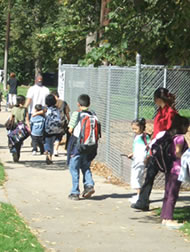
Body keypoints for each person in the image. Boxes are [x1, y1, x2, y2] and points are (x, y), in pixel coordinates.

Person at [131, 87, 178, 211]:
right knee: (150, 174)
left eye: (155, 99)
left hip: (165, 148)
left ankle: (167, 207)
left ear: (158, 99)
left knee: (168, 175)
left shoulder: (170, 112)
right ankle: (142, 202)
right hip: (156, 147)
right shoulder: (161, 111)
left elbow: (169, 129)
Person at [161, 115, 189, 229]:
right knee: (173, 194)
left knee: (168, 193)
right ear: (182, 126)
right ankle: (168, 218)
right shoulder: (180, 138)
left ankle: (164, 216)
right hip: (177, 169)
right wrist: (186, 157)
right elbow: (178, 153)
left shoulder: (171, 137)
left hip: (170, 167)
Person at [67, 94, 97, 200]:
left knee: (74, 168)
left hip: (77, 146)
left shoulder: (77, 114)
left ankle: (75, 192)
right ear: (89, 104)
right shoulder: (93, 115)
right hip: (90, 147)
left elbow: (70, 129)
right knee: (85, 167)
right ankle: (89, 185)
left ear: (78, 104)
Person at [128, 118, 151, 204]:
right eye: (133, 129)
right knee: (135, 176)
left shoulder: (144, 137)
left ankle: (139, 196)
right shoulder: (137, 137)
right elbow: (138, 148)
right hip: (136, 159)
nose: (134, 131)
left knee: (136, 177)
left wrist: (147, 157)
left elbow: (148, 147)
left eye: (135, 129)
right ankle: (139, 195)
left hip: (141, 160)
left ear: (141, 127)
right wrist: (132, 153)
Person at [8, 95, 30, 162]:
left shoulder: (14, 108)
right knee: (19, 142)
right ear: (22, 101)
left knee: (12, 140)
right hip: (21, 127)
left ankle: (13, 151)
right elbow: (27, 119)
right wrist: (29, 128)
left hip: (14, 127)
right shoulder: (25, 109)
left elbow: (11, 118)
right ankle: (17, 155)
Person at [44, 94, 62, 165]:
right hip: (57, 129)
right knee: (52, 143)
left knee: (48, 142)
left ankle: (48, 153)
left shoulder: (47, 110)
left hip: (48, 129)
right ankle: (50, 156)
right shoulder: (57, 109)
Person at [51, 90, 70, 156]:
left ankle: (52, 149)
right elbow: (67, 113)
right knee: (58, 137)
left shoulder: (50, 102)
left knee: (52, 136)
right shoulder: (64, 103)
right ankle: (55, 150)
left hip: (52, 122)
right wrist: (69, 121)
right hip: (61, 122)